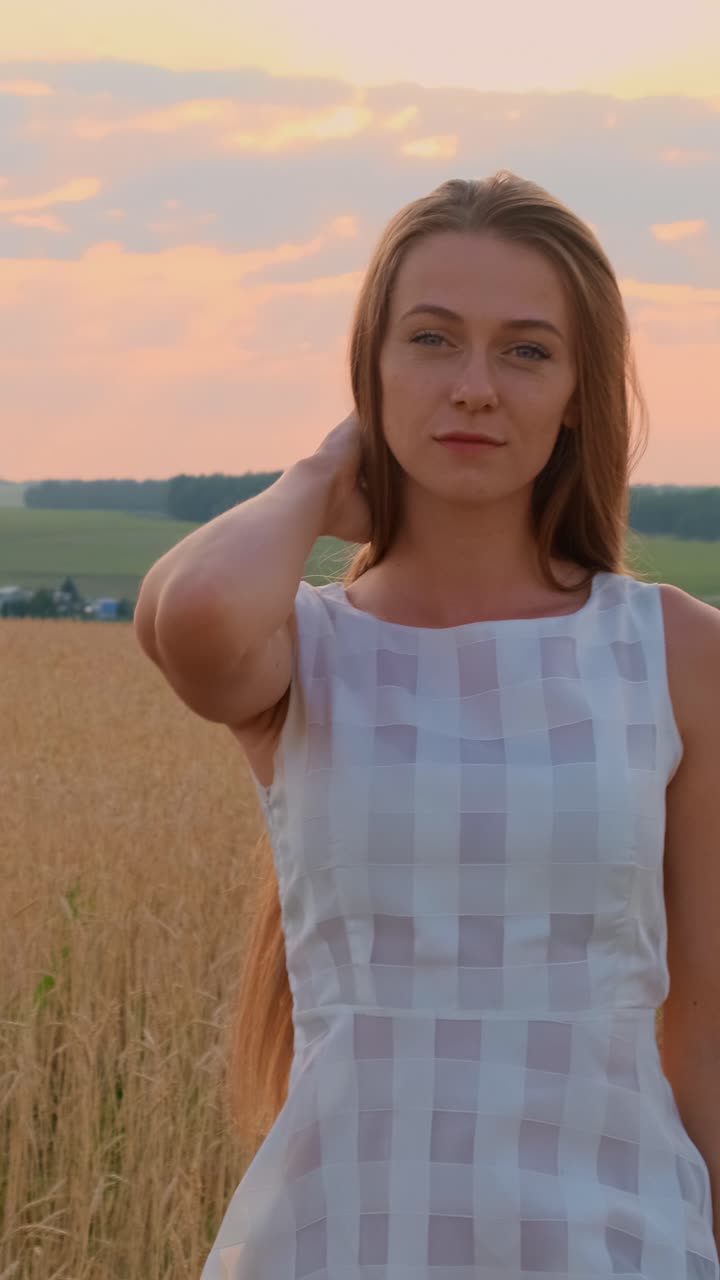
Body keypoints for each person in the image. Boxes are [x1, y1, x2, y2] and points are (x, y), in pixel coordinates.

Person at [135, 171, 720, 1278]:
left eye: (527, 351)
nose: (475, 388)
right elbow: (195, 614)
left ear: (580, 393)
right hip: (339, 1238)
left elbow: (708, 1037)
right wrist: (319, 474)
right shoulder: (302, 650)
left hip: (613, 1241)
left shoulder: (677, 653)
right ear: (371, 371)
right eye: (432, 340)